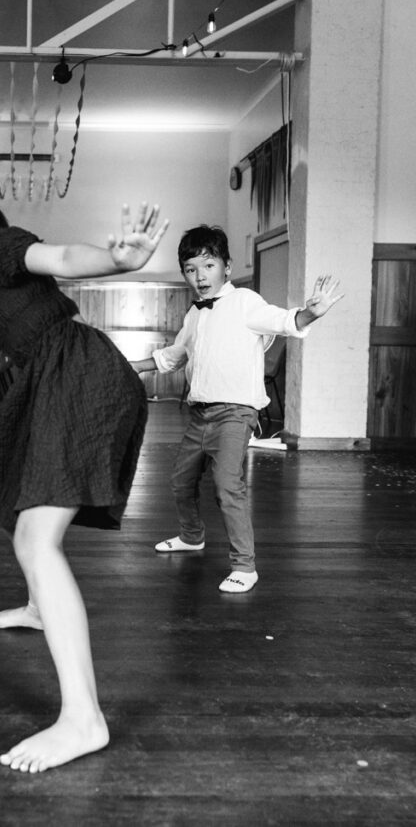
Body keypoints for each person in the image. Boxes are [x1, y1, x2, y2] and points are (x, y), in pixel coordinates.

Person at [0, 170, 169, 774]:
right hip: (48, 384)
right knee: (27, 520)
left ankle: (83, 719)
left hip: (82, 374)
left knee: (37, 539)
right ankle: (40, 607)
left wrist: (117, 260)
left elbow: (63, 257)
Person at [130, 225, 343, 593]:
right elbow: (175, 355)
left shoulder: (246, 302)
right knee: (181, 481)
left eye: (208, 266)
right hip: (200, 415)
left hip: (235, 413)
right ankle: (191, 536)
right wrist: (135, 366)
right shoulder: (195, 315)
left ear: (227, 267)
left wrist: (311, 314)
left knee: (227, 485)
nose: (200, 276)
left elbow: (285, 322)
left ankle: (245, 566)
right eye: (191, 269)